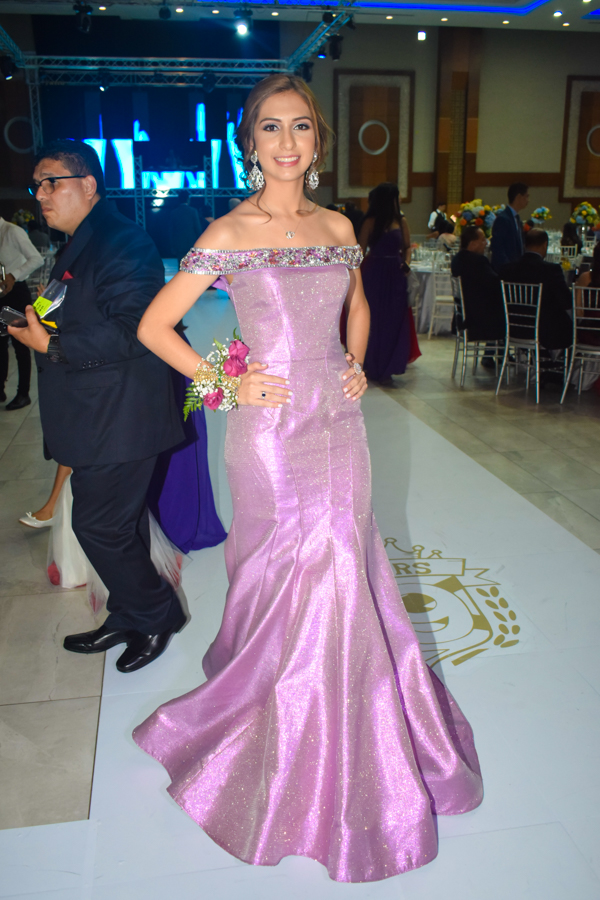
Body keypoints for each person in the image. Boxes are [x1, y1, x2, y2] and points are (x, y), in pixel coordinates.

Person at [132, 74, 482, 883]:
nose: (286, 142)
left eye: (300, 127)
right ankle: (278, 724)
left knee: (344, 565)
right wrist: (225, 385)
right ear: (249, 143)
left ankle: (354, 728)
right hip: (269, 434)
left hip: (339, 427)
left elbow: (357, 305)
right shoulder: (228, 232)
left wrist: (354, 362)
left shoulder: (336, 225)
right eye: (270, 128)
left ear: (318, 141)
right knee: (285, 573)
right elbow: (155, 324)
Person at [8, 139, 186, 673]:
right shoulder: (83, 242)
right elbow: (73, 309)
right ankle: (128, 613)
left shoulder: (122, 241)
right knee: (117, 524)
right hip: (97, 414)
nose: (41, 195)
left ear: (88, 185)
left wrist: (50, 344)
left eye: (51, 182)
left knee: (98, 526)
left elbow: (134, 330)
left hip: (122, 415)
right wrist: (30, 323)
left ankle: (157, 614)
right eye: (36, 185)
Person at [360, 182, 420, 384]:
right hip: (374, 273)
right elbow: (360, 249)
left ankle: (389, 366)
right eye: (397, 196)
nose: (400, 200)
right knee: (374, 320)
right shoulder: (370, 221)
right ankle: (372, 364)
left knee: (394, 320)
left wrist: (407, 263)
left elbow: (407, 247)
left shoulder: (401, 221)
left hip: (395, 273)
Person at [500, 228, 573, 351]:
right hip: (543, 331)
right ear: (545, 245)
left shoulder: (507, 269)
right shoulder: (551, 270)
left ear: (525, 245)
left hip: (513, 328)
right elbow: (566, 301)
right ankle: (556, 359)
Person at [0, 214, 43, 409]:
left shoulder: (12, 231)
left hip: (16, 292)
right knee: (0, 344)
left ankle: (23, 393)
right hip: (2, 292)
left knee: (20, 345)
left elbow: (37, 259)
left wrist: (13, 275)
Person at [451, 225, 505, 344]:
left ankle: (496, 352)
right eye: (483, 240)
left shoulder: (457, 259)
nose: (486, 243)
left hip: (463, 316)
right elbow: (496, 284)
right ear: (473, 244)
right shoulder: (478, 261)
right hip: (478, 320)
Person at [491, 181, 529, 272]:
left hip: (515, 269)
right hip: (506, 271)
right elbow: (498, 248)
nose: (528, 200)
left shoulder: (516, 218)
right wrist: (509, 269)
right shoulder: (503, 219)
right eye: (526, 196)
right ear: (519, 197)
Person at [169, 189, 204, 263]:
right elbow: (197, 228)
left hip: (179, 245)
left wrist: (172, 247)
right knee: (192, 265)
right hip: (191, 243)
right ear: (188, 199)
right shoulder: (193, 211)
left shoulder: (173, 212)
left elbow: (171, 231)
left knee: (181, 265)